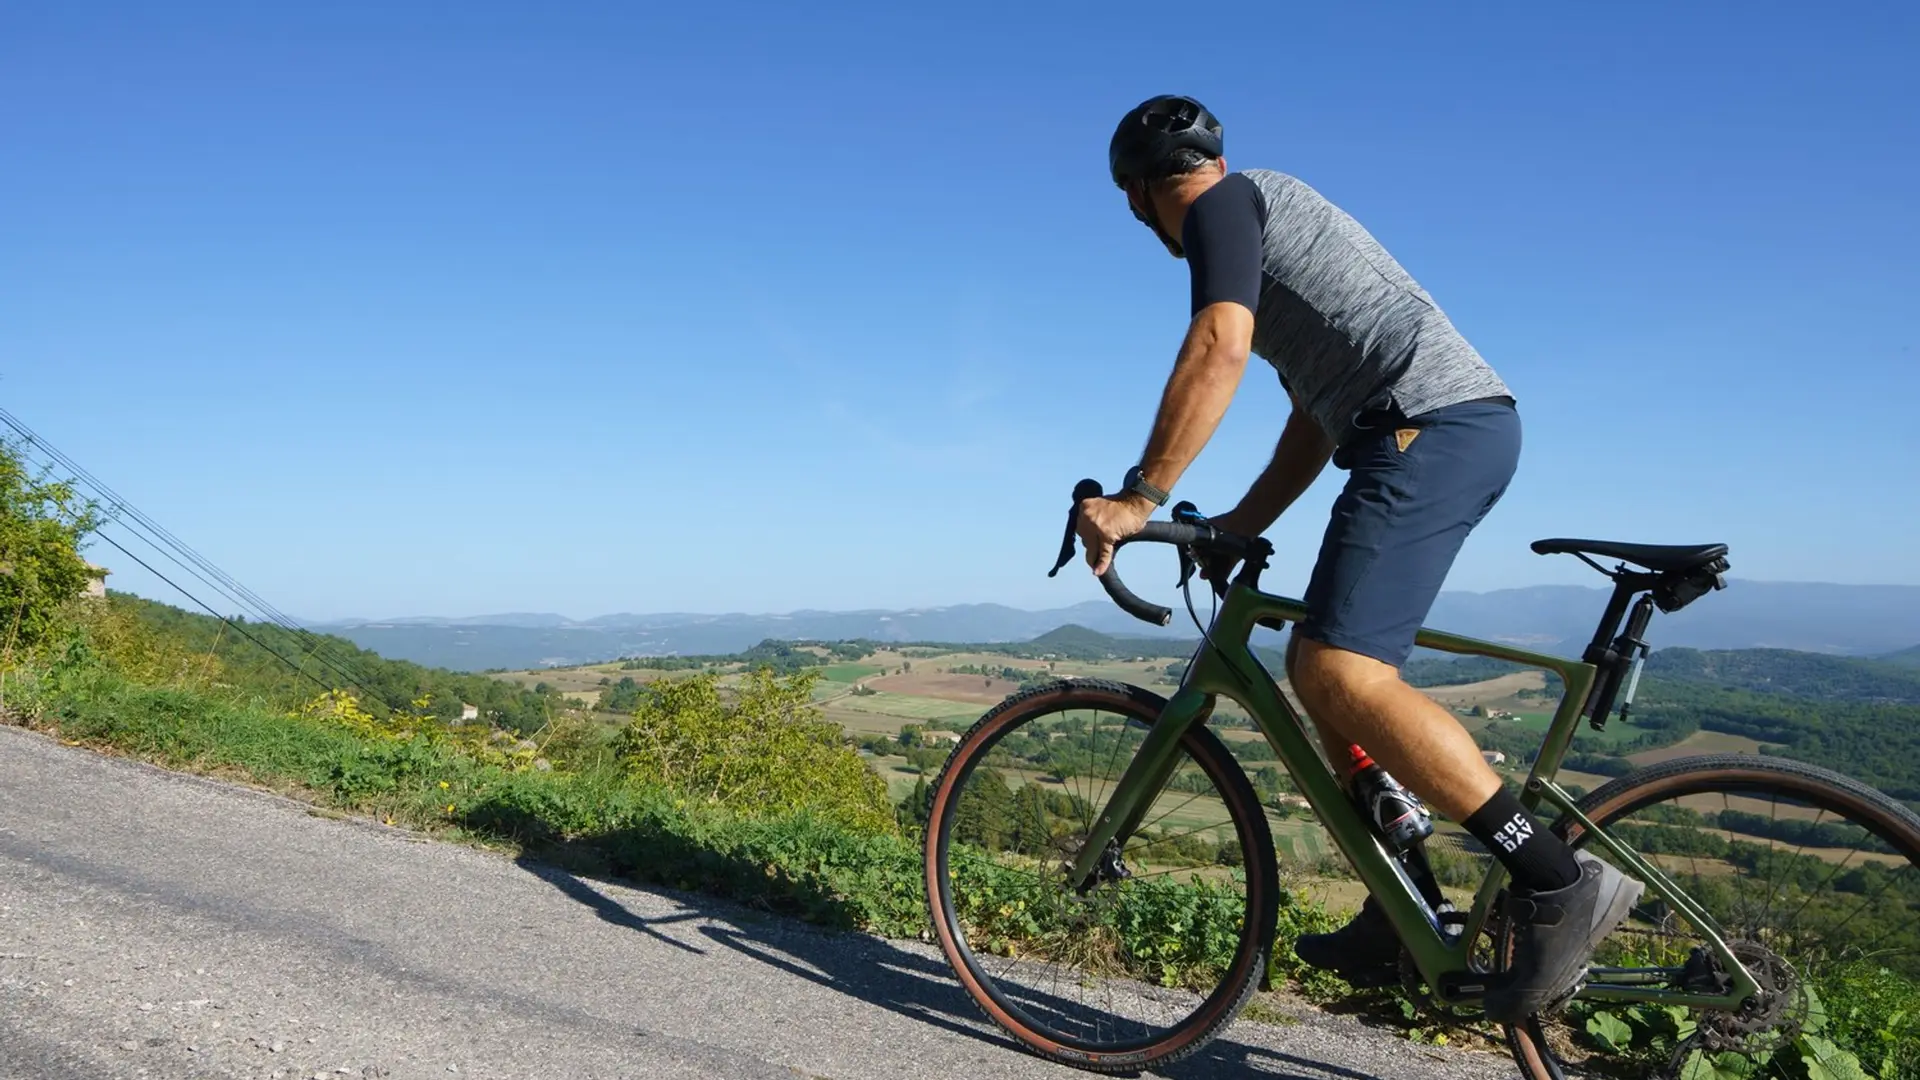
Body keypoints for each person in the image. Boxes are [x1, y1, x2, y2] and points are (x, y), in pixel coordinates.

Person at [1072, 94, 1643, 1023]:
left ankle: (1555, 879)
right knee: (1317, 664)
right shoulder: (1272, 223)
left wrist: (1140, 496)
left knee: (1341, 668)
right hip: (1430, 426)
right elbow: (1312, 416)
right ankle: (1400, 902)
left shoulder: (1226, 208)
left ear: (1139, 195)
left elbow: (1217, 345)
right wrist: (1240, 521)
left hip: (1430, 426)